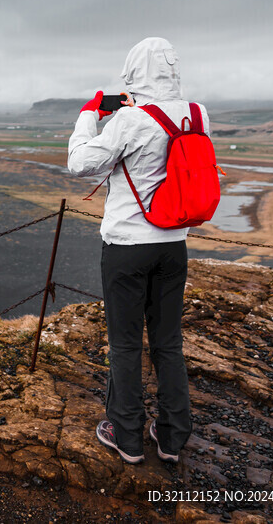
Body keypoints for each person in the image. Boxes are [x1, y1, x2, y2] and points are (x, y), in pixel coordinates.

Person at [66, 37, 206, 465]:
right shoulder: (197, 114)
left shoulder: (130, 120)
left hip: (128, 246)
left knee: (125, 345)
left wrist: (89, 116)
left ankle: (126, 435)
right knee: (168, 343)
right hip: (173, 246)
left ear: (132, 72)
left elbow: (80, 163)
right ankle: (172, 437)